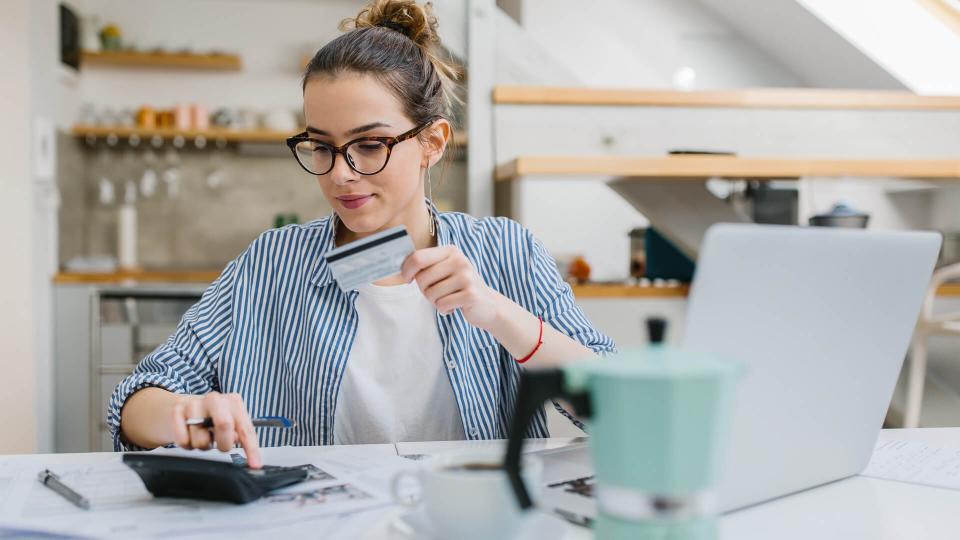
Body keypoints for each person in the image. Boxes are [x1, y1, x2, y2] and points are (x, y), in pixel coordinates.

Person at [108, 0, 615, 469]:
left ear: (432, 142)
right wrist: (183, 413)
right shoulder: (271, 263)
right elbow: (136, 398)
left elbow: (622, 409)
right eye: (321, 146)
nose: (340, 174)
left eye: (369, 145)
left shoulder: (508, 252)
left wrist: (500, 315)